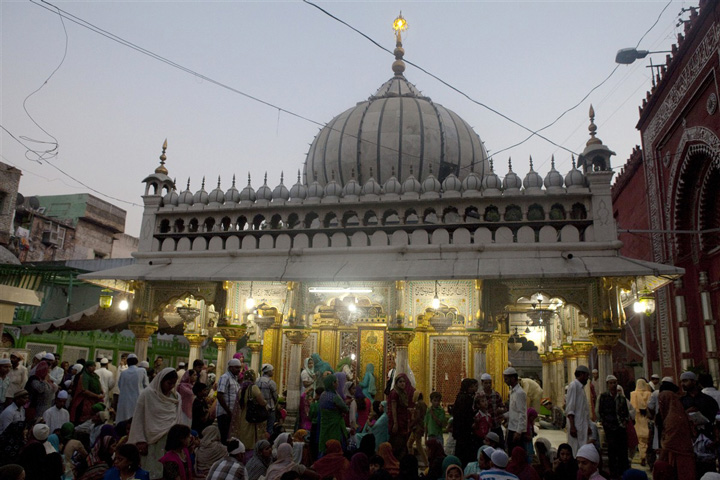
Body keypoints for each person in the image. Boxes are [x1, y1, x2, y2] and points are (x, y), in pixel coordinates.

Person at [127, 367, 180, 479]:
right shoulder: (147, 394)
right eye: (169, 383)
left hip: (168, 440)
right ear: (161, 381)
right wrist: (140, 440)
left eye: (173, 384)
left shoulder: (175, 396)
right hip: (149, 438)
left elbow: (176, 417)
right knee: (150, 469)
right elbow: (138, 418)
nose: (171, 386)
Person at [657, 388, 696, 479]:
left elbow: (671, 440)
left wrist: (661, 456)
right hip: (683, 454)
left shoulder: (673, 419)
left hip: (678, 456)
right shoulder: (679, 414)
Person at [596, 375, 630, 477]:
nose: (613, 385)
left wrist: (624, 422)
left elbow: (626, 412)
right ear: (607, 384)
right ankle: (613, 474)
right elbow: (599, 412)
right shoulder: (603, 397)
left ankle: (622, 474)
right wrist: (605, 423)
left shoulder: (621, 398)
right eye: (611, 383)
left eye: (614, 383)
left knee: (622, 452)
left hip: (621, 428)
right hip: (609, 428)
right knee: (612, 452)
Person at [231, 369, 268, 451]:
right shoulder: (253, 388)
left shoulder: (241, 389)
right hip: (252, 418)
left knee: (244, 437)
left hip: (243, 418)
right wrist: (266, 402)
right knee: (252, 440)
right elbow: (262, 402)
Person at [318, 373, 349, 455]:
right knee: (334, 444)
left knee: (325, 443)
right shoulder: (334, 397)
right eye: (336, 382)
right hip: (334, 425)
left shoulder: (323, 395)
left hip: (325, 424)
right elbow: (345, 409)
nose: (338, 384)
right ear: (333, 383)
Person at [564, 366, 591, 455]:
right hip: (576, 426)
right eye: (587, 376)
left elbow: (584, 410)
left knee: (582, 450)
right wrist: (572, 426)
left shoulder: (581, 388)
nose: (587, 378)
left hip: (582, 425)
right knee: (575, 450)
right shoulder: (573, 386)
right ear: (581, 374)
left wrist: (588, 426)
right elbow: (570, 409)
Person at [452, 378, 478, 467]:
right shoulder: (465, 398)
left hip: (461, 430)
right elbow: (465, 414)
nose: (473, 389)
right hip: (464, 430)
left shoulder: (462, 396)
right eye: (471, 387)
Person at [217, 358, 242, 444]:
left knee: (230, 437)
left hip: (231, 413)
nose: (239, 370)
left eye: (240, 367)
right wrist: (228, 411)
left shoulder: (235, 379)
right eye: (236, 367)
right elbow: (219, 395)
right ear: (231, 368)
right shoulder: (225, 377)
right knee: (224, 437)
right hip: (224, 414)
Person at [503, 367, 527, 453]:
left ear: (513, 378)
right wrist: (503, 415)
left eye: (506, 378)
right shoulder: (513, 392)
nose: (505, 381)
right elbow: (514, 411)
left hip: (516, 430)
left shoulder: (519, 393)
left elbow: (522, 413)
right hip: (512, 427)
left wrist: (519, 431)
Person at [629, 378, 652, 466]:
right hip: (646, 418)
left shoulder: (633, 394)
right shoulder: (649, 394)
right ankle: (646, 456)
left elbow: (633, 407)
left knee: (640, 439)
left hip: (638, 419)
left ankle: (643, 456)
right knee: (647, 438)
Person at [258, 364, 279, 434]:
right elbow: (275, 396)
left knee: (260, 429)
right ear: (268, 371)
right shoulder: (271, 383)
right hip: (270, 409)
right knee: (269, 429)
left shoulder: (257, 381)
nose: (273, 372)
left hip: (259, 409)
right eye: (272, 370)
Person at [408, 391, 427, 466]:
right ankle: (412, 461)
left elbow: (418, 416)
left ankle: (425, 462)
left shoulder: (418, 404)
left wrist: (411, 424)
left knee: (418, 445)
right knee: (409, 443)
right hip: (420, 426)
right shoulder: (424, 404)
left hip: (417, 427)